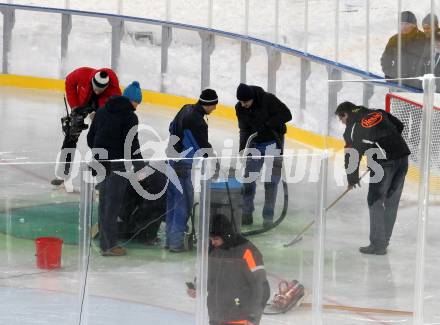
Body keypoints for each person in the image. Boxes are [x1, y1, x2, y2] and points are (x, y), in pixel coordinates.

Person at [335, 101, 410, 255]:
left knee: (375, 200)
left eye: (340, 118)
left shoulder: (352, 128)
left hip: (384, 164)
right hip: (402, 158)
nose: (341, 122)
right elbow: (399, 126)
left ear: (346, 114)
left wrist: (352, 179)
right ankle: (384, 241)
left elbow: (352, 155)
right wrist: (383, 146)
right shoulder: (377, 112)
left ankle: (377, 244)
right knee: (391, 202)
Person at [87, 81, 144, 256]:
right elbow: (132, 145)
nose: (137, 107)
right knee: (112, 206)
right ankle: (109, 245)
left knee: (104, 202)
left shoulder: (102, 111)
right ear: (132, 100)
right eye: (137, 103)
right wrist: (140, 166)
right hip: (116, 164)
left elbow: (90, 138)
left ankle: (104, 240)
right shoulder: (130, 117)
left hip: (99, 162)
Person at [186, 214, 270, 325]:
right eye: (211, 238)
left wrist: (253, 317)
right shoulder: (211, 250)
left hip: (240, 318)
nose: (212, 242)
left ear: (226, 235)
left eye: (216, 239)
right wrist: (197, 287)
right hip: (216, 316)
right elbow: (206, 276)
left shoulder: (247, 252)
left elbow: (262, 288)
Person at [166, 89, 218, 252]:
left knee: (172, 203)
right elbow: (202, 147)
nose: (215, 109)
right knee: (184, 203)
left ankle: (170, 240)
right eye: (214, 105)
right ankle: (175, 243)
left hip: (170, 161)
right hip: (181, 166)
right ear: (209, 105)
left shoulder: (185, 108)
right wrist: (214, 160)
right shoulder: (198, 122)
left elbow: (171, 127)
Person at [235, 83, 292, 228]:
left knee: (271, 181)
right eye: (241, 102)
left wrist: (268, 124)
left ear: (252, 98)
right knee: (248, 179)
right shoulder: (240, 107)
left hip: (274, 142)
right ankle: (246, 213)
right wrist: (243, 148)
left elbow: (287, 114)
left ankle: (268, 217)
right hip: (254, 143)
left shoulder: (268, 99)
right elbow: (243, 129)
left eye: (246, 102)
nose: (243, 105)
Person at [52, 67, 121, 186]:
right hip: (82, 104)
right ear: (91, 81)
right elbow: (69, 81)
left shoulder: (114, 91)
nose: (97, 92)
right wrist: (74, 106)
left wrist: (100, 115)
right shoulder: (83, 74)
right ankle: (64, 174)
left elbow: (116, 109)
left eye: (101, 90)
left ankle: (103, 180)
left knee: (102, 140)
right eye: (95, 89)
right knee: (70, 136)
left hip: (102, 108)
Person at [380, 11, 425, 89]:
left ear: (414, 25)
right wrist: (391, 76)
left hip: (418, 87)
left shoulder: (424, 39)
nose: (403, 26)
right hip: (397, 84)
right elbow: (385, 60)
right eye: (401, 23)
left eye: (407, 24)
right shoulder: (394, 40)